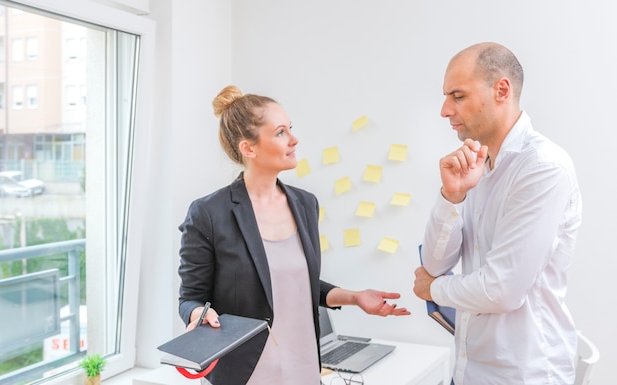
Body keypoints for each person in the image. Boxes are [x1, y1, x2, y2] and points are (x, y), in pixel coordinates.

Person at [178, 85, 410, 385]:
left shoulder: (305, 204)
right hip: (244, 374)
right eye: (280, 133)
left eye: (291, 129)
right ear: (249, 148)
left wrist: (355, 298)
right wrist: (198, 314)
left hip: (304, 368)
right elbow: (191, 298)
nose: (294, 139)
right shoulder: (208, 213)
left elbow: (300, 285)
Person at [413, 43, 582, 385]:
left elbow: (502, 290)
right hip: (470, 368)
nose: (445, 110)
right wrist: (452, 196)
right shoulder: (479, 167)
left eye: (457, 96)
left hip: (524, 374)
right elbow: (434, 265)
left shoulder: (542, 167)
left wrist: (434, 290)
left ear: (501, 90)